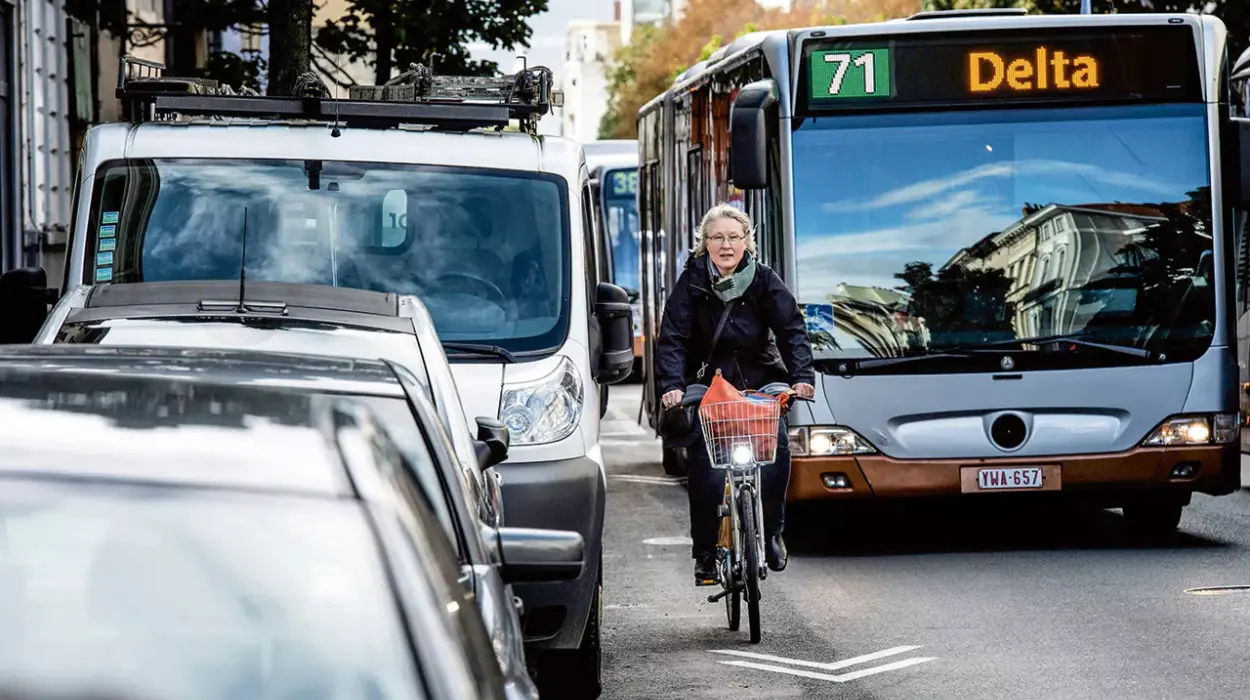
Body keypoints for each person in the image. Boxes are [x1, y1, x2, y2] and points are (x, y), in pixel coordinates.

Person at [656, 203, 815, 585]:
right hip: (709, 383)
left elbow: (792, 328)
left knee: (777, 449)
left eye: (733, 237)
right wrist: (673, 386)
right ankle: (705, 554)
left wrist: (801, 376)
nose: (725, 245)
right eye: (717, 238)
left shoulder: (763, 279)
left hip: (761, 378)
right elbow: (673, 337)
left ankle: (772, 532)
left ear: (747, 241)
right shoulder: (692, 282)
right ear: (705, 243)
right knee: (705, 471)